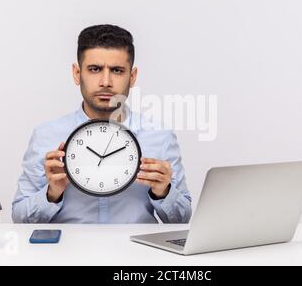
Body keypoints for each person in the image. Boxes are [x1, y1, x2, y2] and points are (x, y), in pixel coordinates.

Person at [12, 24, 192, 224]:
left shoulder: (160, 136)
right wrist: (51, 194)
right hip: (66, 252)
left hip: (137, 253)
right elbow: (19, 219)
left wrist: (163, 192)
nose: (105, 81)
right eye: (95, 69)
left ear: (132, 77)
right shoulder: (46, 135)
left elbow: (183, 220)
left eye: (117, 70)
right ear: (77, 73)